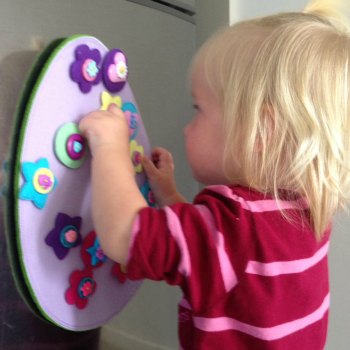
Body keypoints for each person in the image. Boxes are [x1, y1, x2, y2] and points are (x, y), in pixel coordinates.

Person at [79, 0, 350, 348]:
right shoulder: (304, 210)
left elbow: (126, 237)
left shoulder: (239, 227)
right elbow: (213, 260)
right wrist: (171, 199)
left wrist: (110, 148)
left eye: (199, 109)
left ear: (260, 133)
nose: (188, 127)